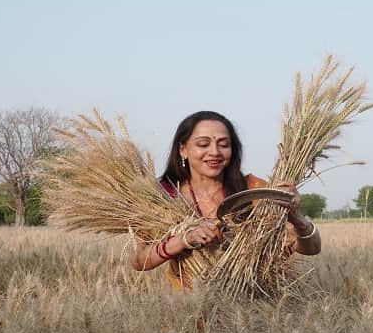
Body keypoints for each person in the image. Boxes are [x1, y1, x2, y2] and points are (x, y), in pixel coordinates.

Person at [128, 110, 320, 285]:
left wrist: (295, 215)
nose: (214, 152)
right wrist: (184, 239)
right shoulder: (165, 196)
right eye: (203, 144)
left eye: (224, 144)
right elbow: (139, 260)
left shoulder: (253, 189)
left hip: (254, 309)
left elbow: (311, 249)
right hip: (188, 309)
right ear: (183, 149)